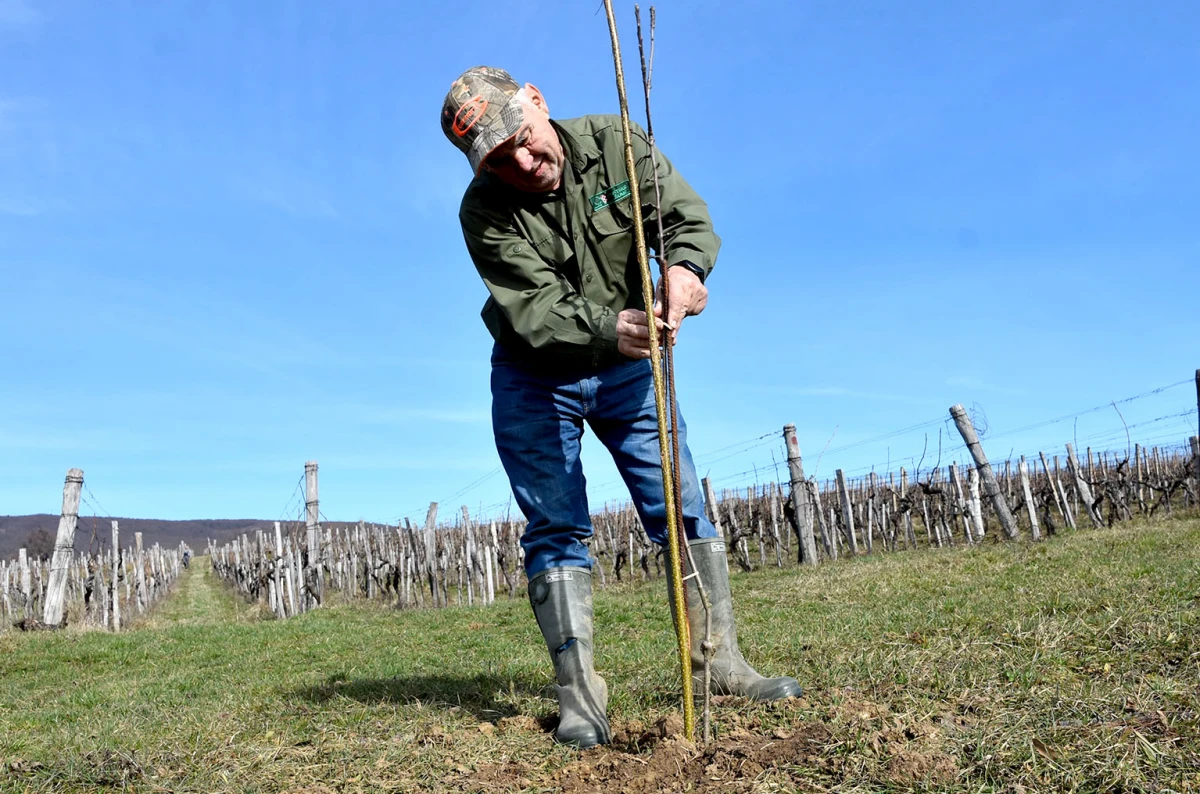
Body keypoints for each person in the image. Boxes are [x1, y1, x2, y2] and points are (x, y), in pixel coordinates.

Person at [440, 66, 801, 748]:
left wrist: (685, 272)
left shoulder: (616, 143)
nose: (520, 160)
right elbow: (537, 308)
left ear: (538, 103)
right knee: (555, 527)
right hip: (533, 374)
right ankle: (580, 699)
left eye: (521, 137)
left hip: (632, 373)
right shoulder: (482, 210)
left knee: (681, 504)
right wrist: (611, 326)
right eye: (496, 157)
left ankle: (720, 663)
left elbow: (683, 218)